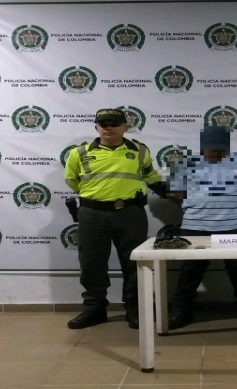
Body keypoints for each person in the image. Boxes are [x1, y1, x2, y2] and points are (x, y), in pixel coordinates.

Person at [64, 108, 166, 330]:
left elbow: (150, 175)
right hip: (92, 214)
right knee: (91, 263)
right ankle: (94, 309)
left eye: (114, 124)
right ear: (96, 128)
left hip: (130, 213)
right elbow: (71, 180)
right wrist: (98, 196)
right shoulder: (78, 152)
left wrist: (173, 193)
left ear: (125, 127)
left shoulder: (139, 150)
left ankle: (135, 309)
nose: (108, 128)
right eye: (103, 124)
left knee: (134, 262)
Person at [166, 125, 237, 330]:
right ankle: (181, 310)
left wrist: (236, 208)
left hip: (236, 224)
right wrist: (197, 206)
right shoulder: (184, 164)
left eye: (219, 148)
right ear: (202, 145)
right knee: (191, 269)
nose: (214, 152)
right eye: (210, 148)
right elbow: (176, 193)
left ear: (227, 145)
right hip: (195, 224)